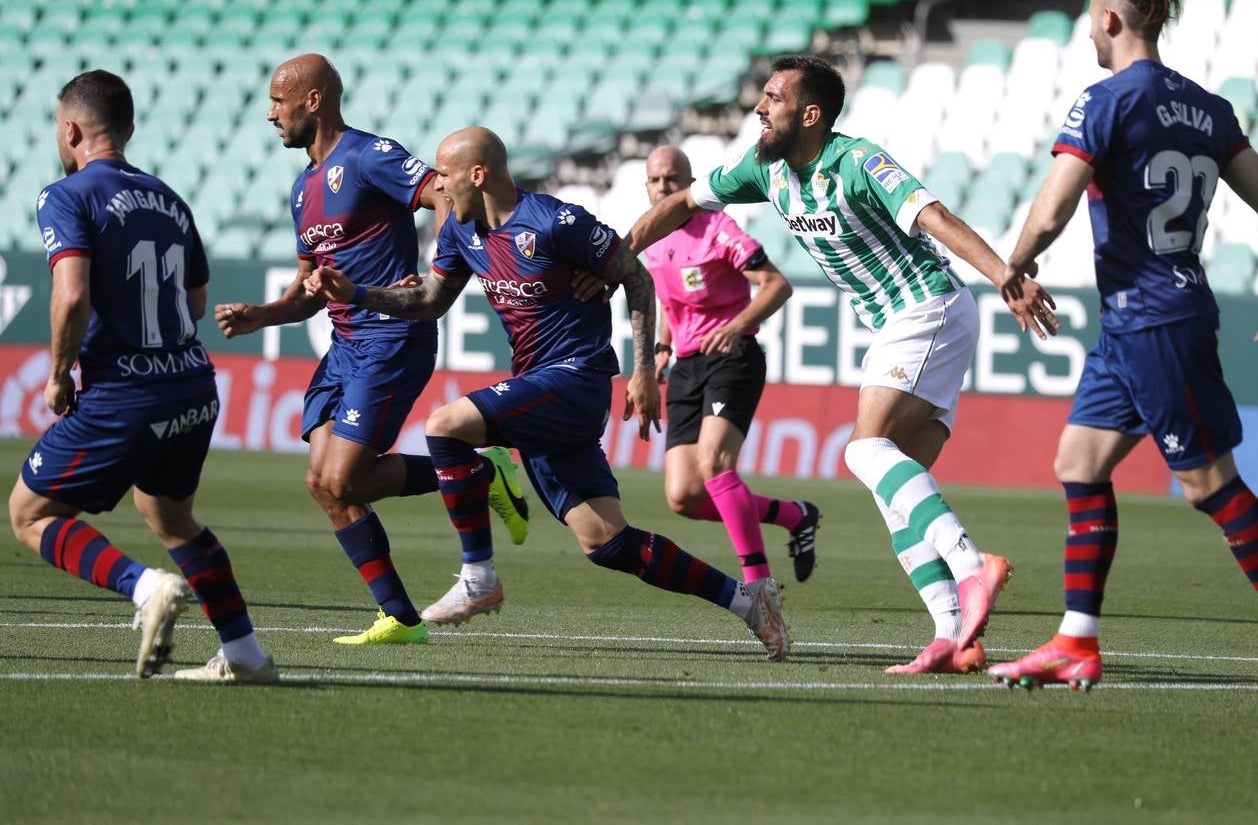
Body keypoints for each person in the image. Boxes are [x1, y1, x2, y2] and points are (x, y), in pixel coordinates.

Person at [620, 55, 1061, 674]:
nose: (758, 108)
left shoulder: (857, 162)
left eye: (772, 99)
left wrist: (1003, 275)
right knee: (895, 490)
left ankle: (970, 564)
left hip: (927, 308)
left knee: (861, 450)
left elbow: (934, 217)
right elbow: (684, 204)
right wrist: (620, 249)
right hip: (900, 324)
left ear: (810, 114)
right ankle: (953, 636)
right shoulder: (762, 169)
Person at [990, 0, 1258, 720]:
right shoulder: (1208, 107)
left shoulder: (1105, 100)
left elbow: (1050, 213)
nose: (1088, 28)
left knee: (1207, 484)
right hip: (1132, 321)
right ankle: (1076, 639)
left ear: (1112, 21)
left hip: (1157, 320)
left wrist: (1010, 269)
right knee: (1078, 462)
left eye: (1091, 18)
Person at [304, 126, 791, 661]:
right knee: (607, 542)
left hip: (576, 378)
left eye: (445, 174)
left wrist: (643, 372)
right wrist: (358, 294)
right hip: (539, 389)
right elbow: (428, 300)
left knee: (444, 426)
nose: (438, 186)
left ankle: (478, 575)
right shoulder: (460, 234)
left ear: (478, 175)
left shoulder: (556, 222)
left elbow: (636, 278)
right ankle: (748, 602)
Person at [213, 54, 527, 645]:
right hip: (343, 345)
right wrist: (266, 315)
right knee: (324, 483)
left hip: (391, 336)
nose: (269, 114)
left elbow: (444, 195)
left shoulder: (368, 155)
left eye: (279, 102)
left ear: (313, 101)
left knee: (346, 476)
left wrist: (436, 268)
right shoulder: (302, 188)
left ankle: (478, 472)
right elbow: (308, 288)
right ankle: (401, 615)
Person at [7, 70, 276, 683]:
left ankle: (144, 586)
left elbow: (71, 296)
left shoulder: (66, 195)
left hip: (127, 392)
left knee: (28, 513)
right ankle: (245, 655)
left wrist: (56, 374)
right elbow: (199, 300)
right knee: (170, 515)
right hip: (192, 387)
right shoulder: (169, 197)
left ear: (70, 129)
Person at [641, 146, 821, 583]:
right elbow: (670, 302)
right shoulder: (651, 240)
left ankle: (758, 584)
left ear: (689, 183)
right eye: (656, 180)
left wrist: (736, 326)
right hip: (685, 367)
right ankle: (796, 515)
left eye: (673, 178)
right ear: (646, 186)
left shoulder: (717, 228)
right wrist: (663, 349)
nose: (664, 186)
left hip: (732, 357)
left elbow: (776, 285)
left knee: (716, 465)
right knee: (684, 495)